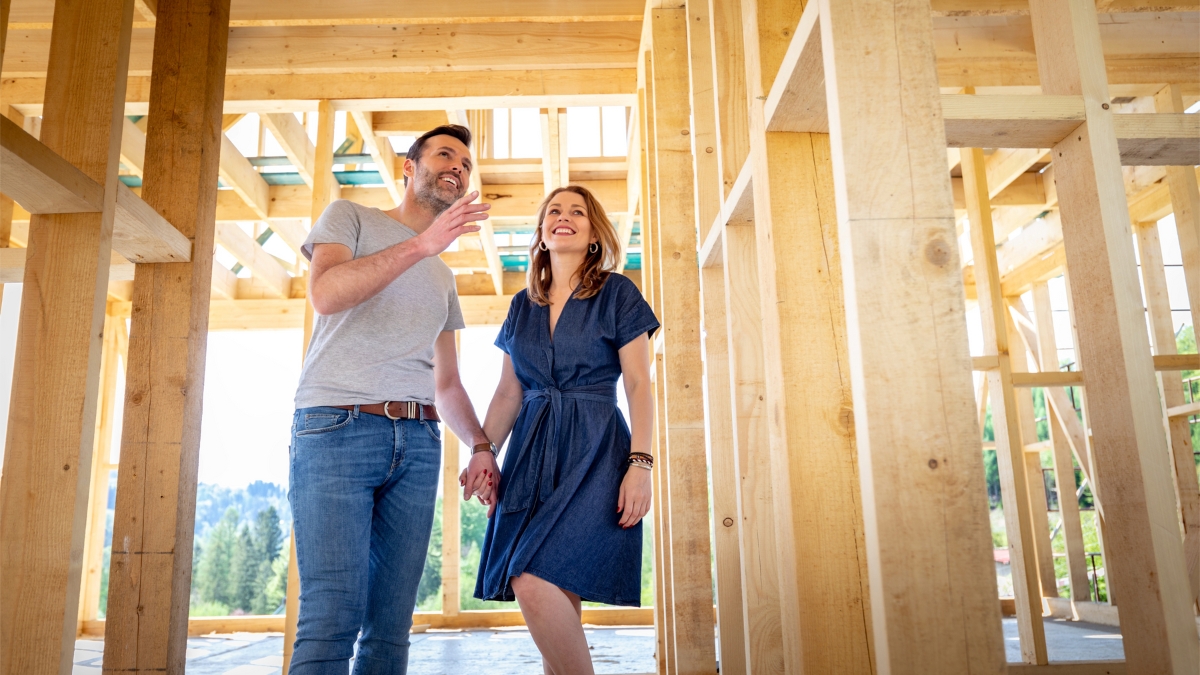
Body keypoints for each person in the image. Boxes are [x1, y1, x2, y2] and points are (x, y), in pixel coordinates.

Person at [288, 124, 501, 674]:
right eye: (445, 155)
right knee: (330, 616)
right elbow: (325, 295)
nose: (458, 166)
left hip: (419, 442)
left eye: (466, 164)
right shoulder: (350, 218)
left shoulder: (443, 277)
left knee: (390, 628)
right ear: (410, 167)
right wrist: (422, 245)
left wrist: (481, 445)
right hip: (336, 428)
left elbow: (447, 382)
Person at [463, 185, 659, 675]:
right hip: (530, 452)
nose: (564, 217)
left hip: (596, 451)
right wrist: (483, 450)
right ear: (542, 232)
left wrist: (641, 463)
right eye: (554, 211)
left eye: (578, 212)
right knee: (553, 586)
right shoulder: (521, 305)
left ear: (594, 234)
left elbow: (638, 384)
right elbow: (509, 392)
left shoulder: (617, 293)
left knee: (529, 577)